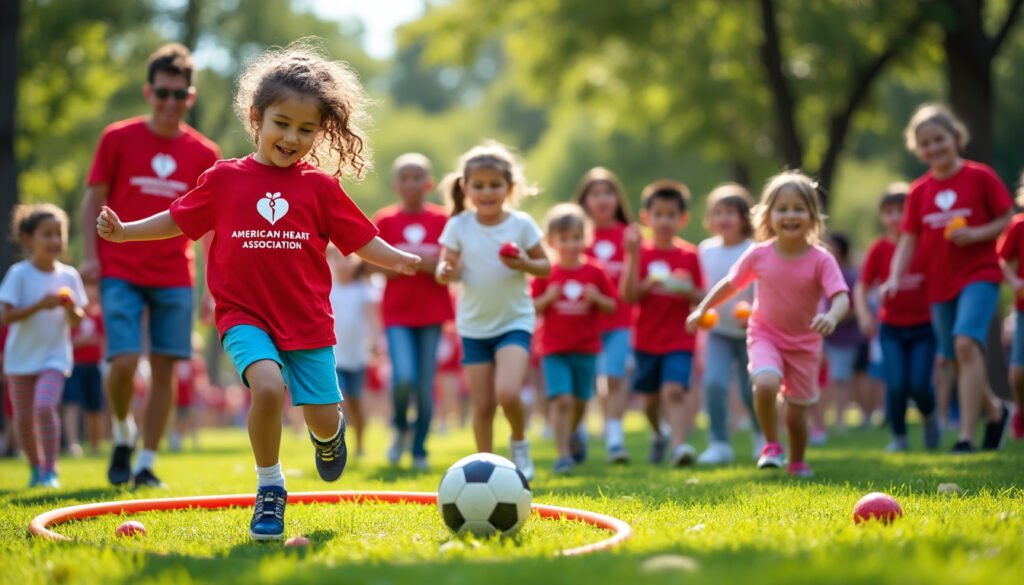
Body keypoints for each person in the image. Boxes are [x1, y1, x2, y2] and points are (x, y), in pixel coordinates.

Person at [96, 40, 421, 541]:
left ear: (320, 132)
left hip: (308, 320)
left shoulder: (321, 189)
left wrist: (398, 258)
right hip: (243, 315)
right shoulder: (223, 178)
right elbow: (178, 219)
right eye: (282, 124)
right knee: (267, 387)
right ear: (256, 117)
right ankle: (270, 487)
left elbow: (362, 240)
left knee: (319, 415)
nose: (292, 137)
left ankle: (329, 435)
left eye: (306, 130)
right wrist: (125, 230)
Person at [80, 43, 221, 488]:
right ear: (149, 91)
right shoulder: (117, 137)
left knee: (166, 370)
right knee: (121, 362)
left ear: (191, 98)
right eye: (163, 93)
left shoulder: (204, 153)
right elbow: (93, 200)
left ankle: (146, 463)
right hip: (120, 267)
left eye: (180, 95)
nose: (170, 103)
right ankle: (123, 431)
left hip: (174, 275)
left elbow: (210, 225)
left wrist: (211, 287)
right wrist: (89, 256)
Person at [688, 171, 849, 478]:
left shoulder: (821, 259)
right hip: (765, 335)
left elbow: (841, 296)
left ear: (813, 216)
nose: (790, 215)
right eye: (782, 209)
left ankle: (798, 461)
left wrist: (831, 316)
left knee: (797, 415)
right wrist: (703, 308)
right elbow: (730, 284)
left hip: (805, 344)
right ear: (768, 216)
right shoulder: (759, 254)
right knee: (765, 383)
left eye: (799, 209)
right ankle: (771, 444)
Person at [883, 104, 1012, 453]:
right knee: (954, 357)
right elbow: (908, 239)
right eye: (925, 143)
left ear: (955, 137)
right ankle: (996, 410)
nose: (934, 148)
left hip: (980, 274)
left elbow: (1007, 217)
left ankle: (967, 436)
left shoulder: (980, 176)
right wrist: (895, 277)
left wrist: (978, 233)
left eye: (939, 139)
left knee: (965, 344)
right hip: (938, 283)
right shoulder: (919, 191)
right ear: (918, 149)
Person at [436, 141, 550, 481]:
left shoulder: (521, 224)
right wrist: (446, 271)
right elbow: (447, 265)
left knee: (508, 393)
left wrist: (524, 262)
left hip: (515, 321)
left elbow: (544, 266)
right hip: (473, 326)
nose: (487, 192)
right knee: (483, 405)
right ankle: (484, 466)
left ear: (510, 188)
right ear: (466, 188)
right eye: (479, 186)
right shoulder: (458, 226)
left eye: (495, 185)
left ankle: (519, 442)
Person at [372, 153, 452, 470]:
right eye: (404, 177)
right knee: (403, 377)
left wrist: (423, 265)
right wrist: (402, 265)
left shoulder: (443, 220)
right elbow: (373, 263)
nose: (411, 183)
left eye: (417, 177)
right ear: (396, 185)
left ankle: (419, 449)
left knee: (424, 384)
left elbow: (449, 266)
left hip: (433, 315)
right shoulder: (385, 220)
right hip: (397, 316)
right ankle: (399, 428)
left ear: (428, 183)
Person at [1, 204, 86, 487]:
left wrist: (71, 309)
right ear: (28, 239)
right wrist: (40, 305)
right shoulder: (19, 274)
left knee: (43, 407)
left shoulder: (69, 276)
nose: (54, 241)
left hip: (54, 356)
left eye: (58, 234)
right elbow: (6, 316)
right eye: (46, 234)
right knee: (24, 420)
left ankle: (51, 470)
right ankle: (36, 467)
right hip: (20, 359)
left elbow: (76, 322)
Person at [622, 180, 704, 466]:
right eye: (659, 215)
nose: (665, 221)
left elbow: (703, 297)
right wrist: (636, 264)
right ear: (646, 218)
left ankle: (679, 446)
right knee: (651, 400)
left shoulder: (690, 255)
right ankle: (659, 434)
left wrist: (688, 290)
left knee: (674, 390)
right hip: (646, 339)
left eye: (671, 215)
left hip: (680, 339)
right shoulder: (639, 252)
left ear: (682, 219)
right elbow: (628, 295)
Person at [531, 204, 617, 474]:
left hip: (586, 347)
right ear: (551, 241)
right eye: (563, 239)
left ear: (586, 238)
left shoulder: (595, 271)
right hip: (554, 348)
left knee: (580, 401)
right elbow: (531, 306)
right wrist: (548, 298)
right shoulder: (546, 272)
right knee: (561, 400)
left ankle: (572, 434)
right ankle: (563, 455)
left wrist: (597, 298)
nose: (570, 244)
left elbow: (612, 306)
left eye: (576, 237)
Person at [856, 184, 938, 451]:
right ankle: (899, 437)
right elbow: (862, 286)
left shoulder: (926, 244)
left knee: (918, 385)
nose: (895, 217)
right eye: (888, 211)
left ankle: (929, 416)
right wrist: (864, 315)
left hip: (925, 327)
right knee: (896, 385)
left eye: (901, 210)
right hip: (890, 328)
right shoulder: (878, 249)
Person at [695, 183, 762, 464]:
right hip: (718, 332)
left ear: (745, 218)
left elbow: (762, 288)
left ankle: (763, 437)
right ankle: (719, 443)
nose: (723, 218)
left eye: (730, 212)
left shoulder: (753, 249)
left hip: (752, 332)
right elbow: (705, 288)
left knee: (752, 388)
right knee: (713, 383)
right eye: (718, 212)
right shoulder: (705, 250)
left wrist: (752, 309)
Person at [575, 167, 634, 463]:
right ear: (584, 200)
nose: (602, 200)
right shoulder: (575, 235)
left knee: (614, 378)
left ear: (617, 198)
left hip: (619, 321)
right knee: (584, 381)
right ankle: (579, 432)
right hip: (581, 323)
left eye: (608, 193)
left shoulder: (630, 236)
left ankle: (614, 438)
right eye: (595, 194)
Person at [327, 247, 381, 458]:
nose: (342, 264)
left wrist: (375, 342)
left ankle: (359, 445)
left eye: (347, 258)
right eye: (337, 259)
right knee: (340, 401)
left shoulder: (365, 287)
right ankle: (336, 444)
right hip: (332, 355)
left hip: (358, 356)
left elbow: (372, 317)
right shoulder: (326, 287)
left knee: (357, 402)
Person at [820, 232, 864, 435]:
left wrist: (834, 317)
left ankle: (840, 419)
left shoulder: (851, 276)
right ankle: (819, 420)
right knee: (818, 377)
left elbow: (857, 308)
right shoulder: (818, 272)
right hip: (819, 336)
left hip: (844, 338)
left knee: (840, 378)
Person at [62, 283, 106, 457]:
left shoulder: (100, 315)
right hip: (74, 365)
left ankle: (95, 446)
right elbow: (67, 340)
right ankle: (73, 444)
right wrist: (83, 341)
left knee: (95, 407)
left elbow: (103, 339)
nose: (91, 291)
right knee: (72, 404)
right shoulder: (73, 313)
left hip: (94, 366)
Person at [996, 169, 1024, 441]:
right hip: (1022, 310)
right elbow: (1003, 260)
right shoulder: (1018, 225)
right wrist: (1014, 281)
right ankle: (1020, 412)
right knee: (1018, 373)